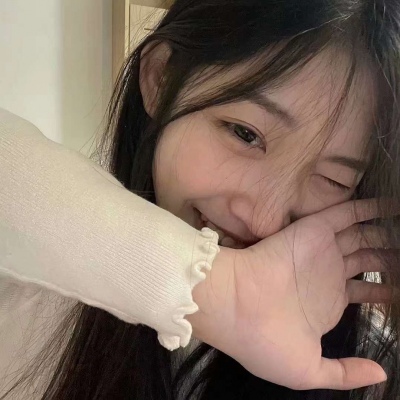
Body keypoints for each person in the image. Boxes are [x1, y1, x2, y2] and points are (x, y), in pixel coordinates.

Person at [1, 0, 400, 398]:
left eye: (332, 180)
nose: (264, 220)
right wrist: (215, 291)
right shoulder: (31, 282)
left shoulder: (365, 371)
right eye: (245, 134)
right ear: (160, 78)